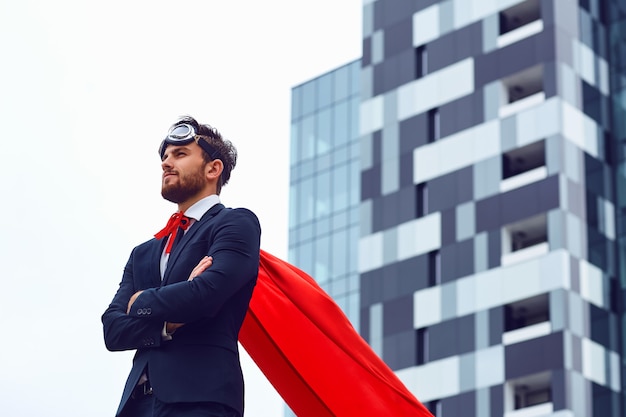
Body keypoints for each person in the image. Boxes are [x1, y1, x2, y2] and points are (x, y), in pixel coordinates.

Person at [102, 116, 261, 417]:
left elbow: (208, 293)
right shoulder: (143, 253)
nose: (166, 163)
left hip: (200, 401)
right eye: (164, 157)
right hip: (135, 406)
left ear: (213, 169)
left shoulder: (235, 223)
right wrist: (167, 323)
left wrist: (141, 301)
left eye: (180, 154)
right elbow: (112, 329)